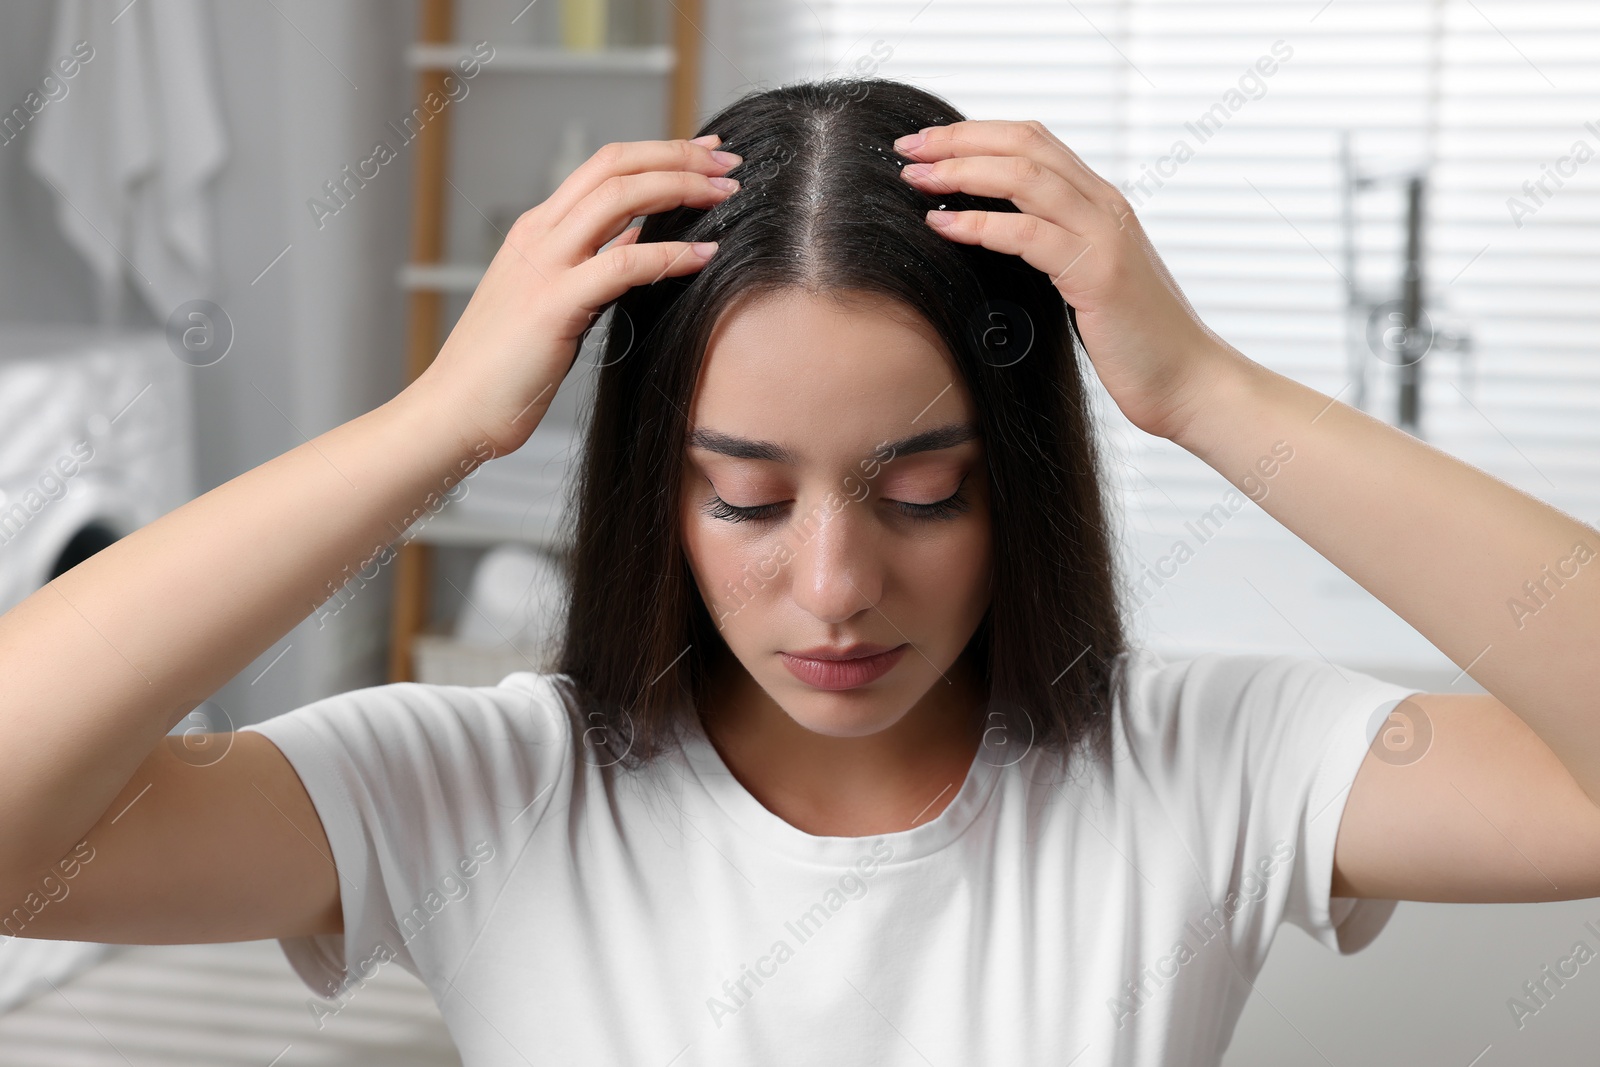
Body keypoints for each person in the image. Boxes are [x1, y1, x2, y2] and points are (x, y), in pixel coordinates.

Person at [2, 77, 1597, 1066]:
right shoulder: (481, 787)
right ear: (654, 497)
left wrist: (1206, 394)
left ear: (1018, 489)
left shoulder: (1201, 768)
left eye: (923, 494)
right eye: (746, 502)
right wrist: (435, 428)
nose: (836, 588)